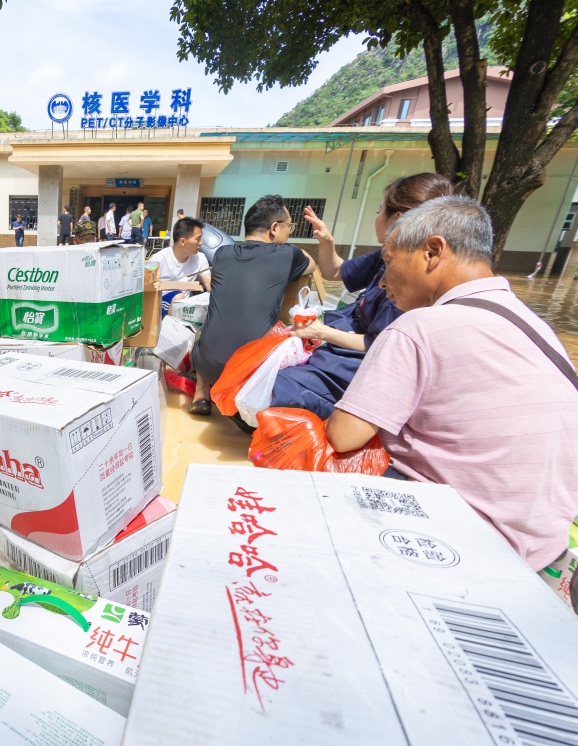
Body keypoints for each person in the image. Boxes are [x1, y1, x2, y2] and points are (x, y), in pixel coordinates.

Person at [326, 196, 578, 571]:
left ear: (432, 251)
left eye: (390, 261)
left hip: (463, 539)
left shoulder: (417, 328)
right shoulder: (535, 324)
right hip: (542, 540)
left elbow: (343, 436)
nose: (382, 280)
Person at [270, 173, 454, 419]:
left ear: (397, 220)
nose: (385, 281)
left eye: (379, 210)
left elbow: (383, 344)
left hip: (354, 366)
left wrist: (322, 332)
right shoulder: (384, 257)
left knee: (271, 391)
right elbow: (335, 271)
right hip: (337, 348)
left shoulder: (410, 282)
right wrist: (327, 241)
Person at [189, 195, 313, 417]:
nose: (290, 232)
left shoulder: (222, 254)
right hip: (251, 374)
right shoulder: (286, 254)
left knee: (202, 329)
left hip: (209, 366)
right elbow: (311, 264)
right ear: (274, 228)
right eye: (289, 226)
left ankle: (200, 393)